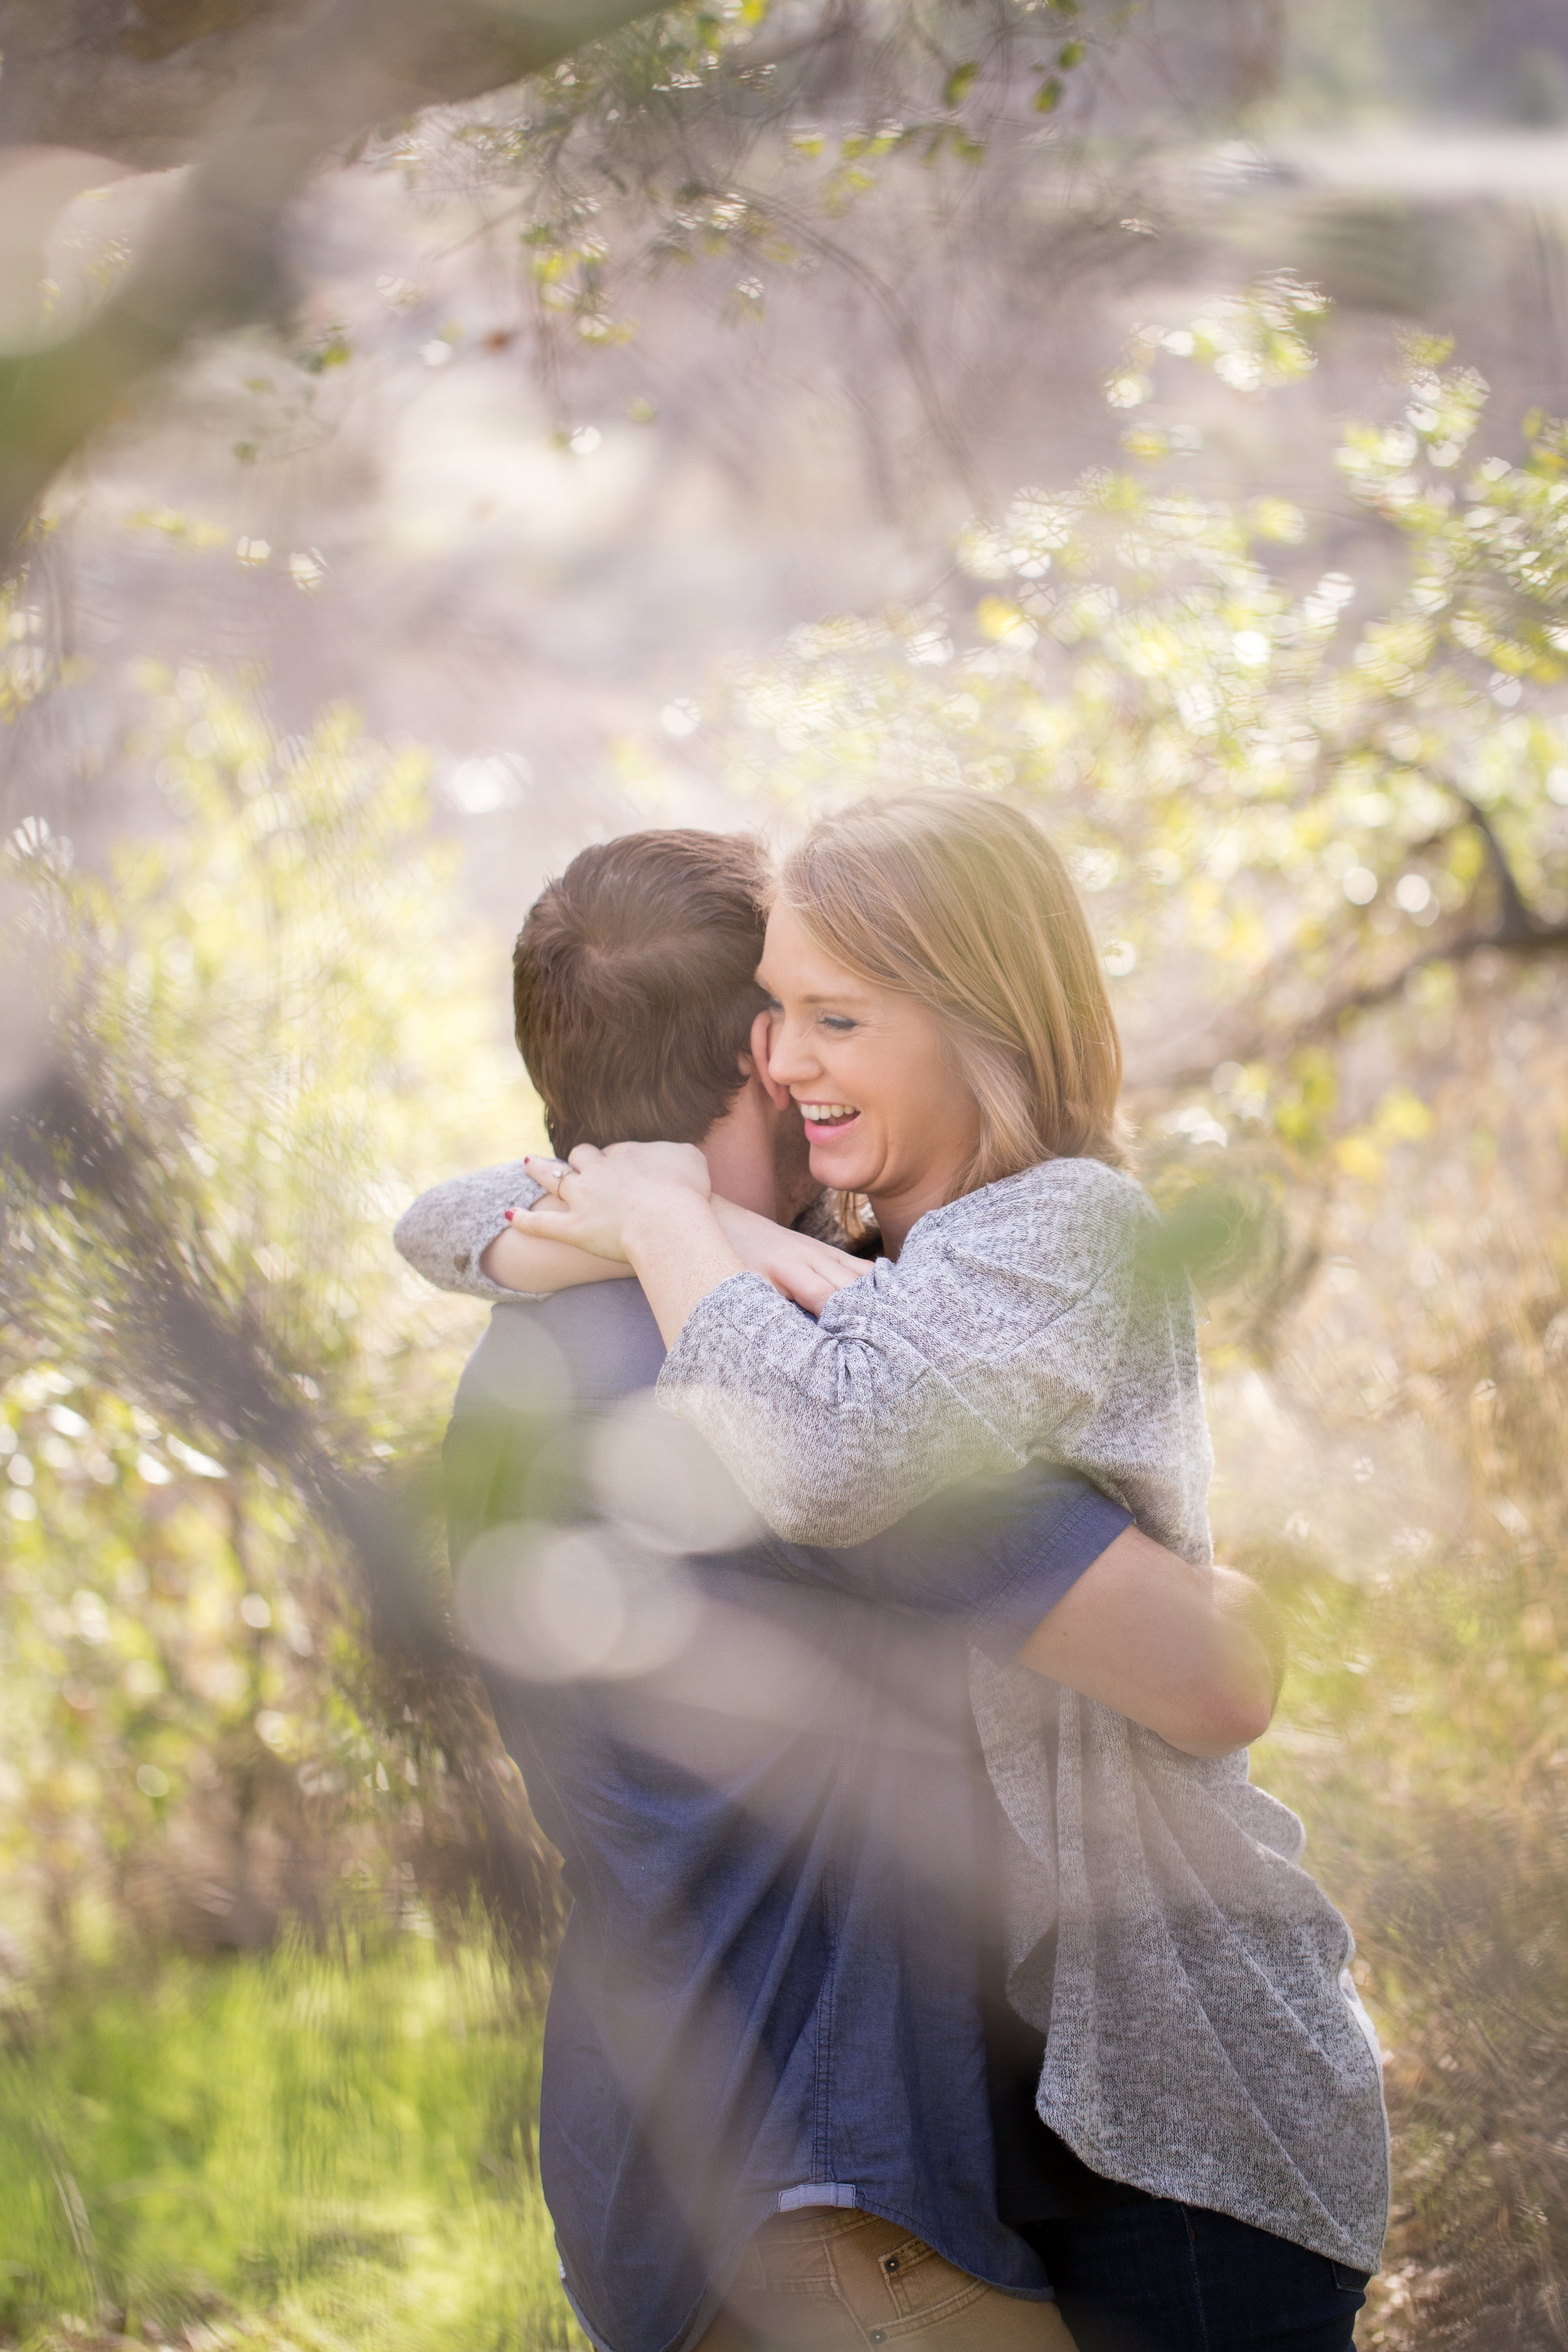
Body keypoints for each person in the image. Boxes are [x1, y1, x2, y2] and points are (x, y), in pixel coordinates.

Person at [493, 794, 1391, 2352]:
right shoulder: (796, 1333)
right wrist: (691, 1222)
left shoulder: (1017, 1246)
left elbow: (482, 1223)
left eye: (832, 1015)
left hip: (1114, 2135)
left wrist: (669, 1216)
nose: (789, 1058)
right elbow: (1209, 1663)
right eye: (774, 1016)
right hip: (930, 2180)